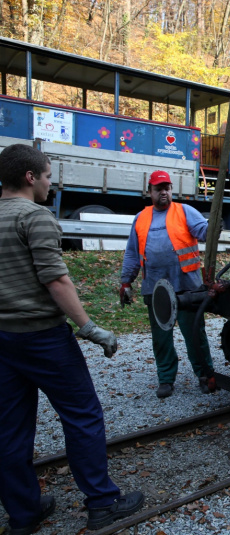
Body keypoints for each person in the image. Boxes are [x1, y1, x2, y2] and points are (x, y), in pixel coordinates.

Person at [0, 144, 144, 534]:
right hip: (42, 337)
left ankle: (24, 514)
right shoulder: (35, 217)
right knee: (82, 417)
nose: (50, 183)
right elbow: (56, 280)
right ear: (30, 178)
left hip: (3, 340)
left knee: (10, 429)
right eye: (47, 176)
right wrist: (89, 327)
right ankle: (102, 502)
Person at [120, 170, 215, 399]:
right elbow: (133, 254)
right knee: (161, 338)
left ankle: (205, 376)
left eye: (167, 188)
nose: (164, 192)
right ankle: (165, 379)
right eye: (158, 189)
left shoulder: (185, 211)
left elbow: (204, 232)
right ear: (149, 192)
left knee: (195, 335)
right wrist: (125, 282)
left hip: (187, 287)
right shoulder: (141, 218)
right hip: (156, 288)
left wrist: (214, 225)